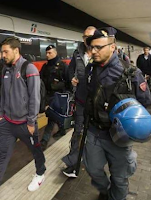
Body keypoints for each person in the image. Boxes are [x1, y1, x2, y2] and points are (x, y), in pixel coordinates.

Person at [0, 37, 46, 200]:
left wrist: (31, 122)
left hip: (25, 124)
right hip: (7, 123)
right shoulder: (6, 70)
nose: (2, 55)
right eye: (2, 51)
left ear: (16, 50)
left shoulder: (29, 68)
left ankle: (40, 173)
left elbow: (34, 98)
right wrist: (0, 116)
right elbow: (4, 96)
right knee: (2, 155)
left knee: (35, 150)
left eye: (5, 51)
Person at [82, 27, 151, 200]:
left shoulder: (131, 73)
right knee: (92, 169)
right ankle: (105, 191)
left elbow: (146, 104)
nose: (94, 51)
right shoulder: (90, 69)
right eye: (92, 47)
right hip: (94, 131)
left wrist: (136, 126)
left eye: (99, 47)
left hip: (118, 137)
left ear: (112, 47)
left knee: (120, 178)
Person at [62, 26, 96, 177]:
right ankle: (73, 163)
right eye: (84, 36)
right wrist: (72, 78)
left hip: (97, 103)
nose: (86, 39)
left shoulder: (101, 52)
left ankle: (95, 160)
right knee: (78, 131)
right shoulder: (77, 53)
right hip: (81, 100)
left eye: (89, 36)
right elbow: (70, 70)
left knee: (96, 133)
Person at [40, 44, 69, 150]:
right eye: (46, 53)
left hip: (58, 96)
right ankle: (62, 129)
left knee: (51, 118)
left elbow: (68, 82)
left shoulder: (62, 66)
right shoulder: (45, 67)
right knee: (54, 115)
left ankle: (44, 141)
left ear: (55, 53)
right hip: (47, 96)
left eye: (50, 53)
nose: (47, 55)